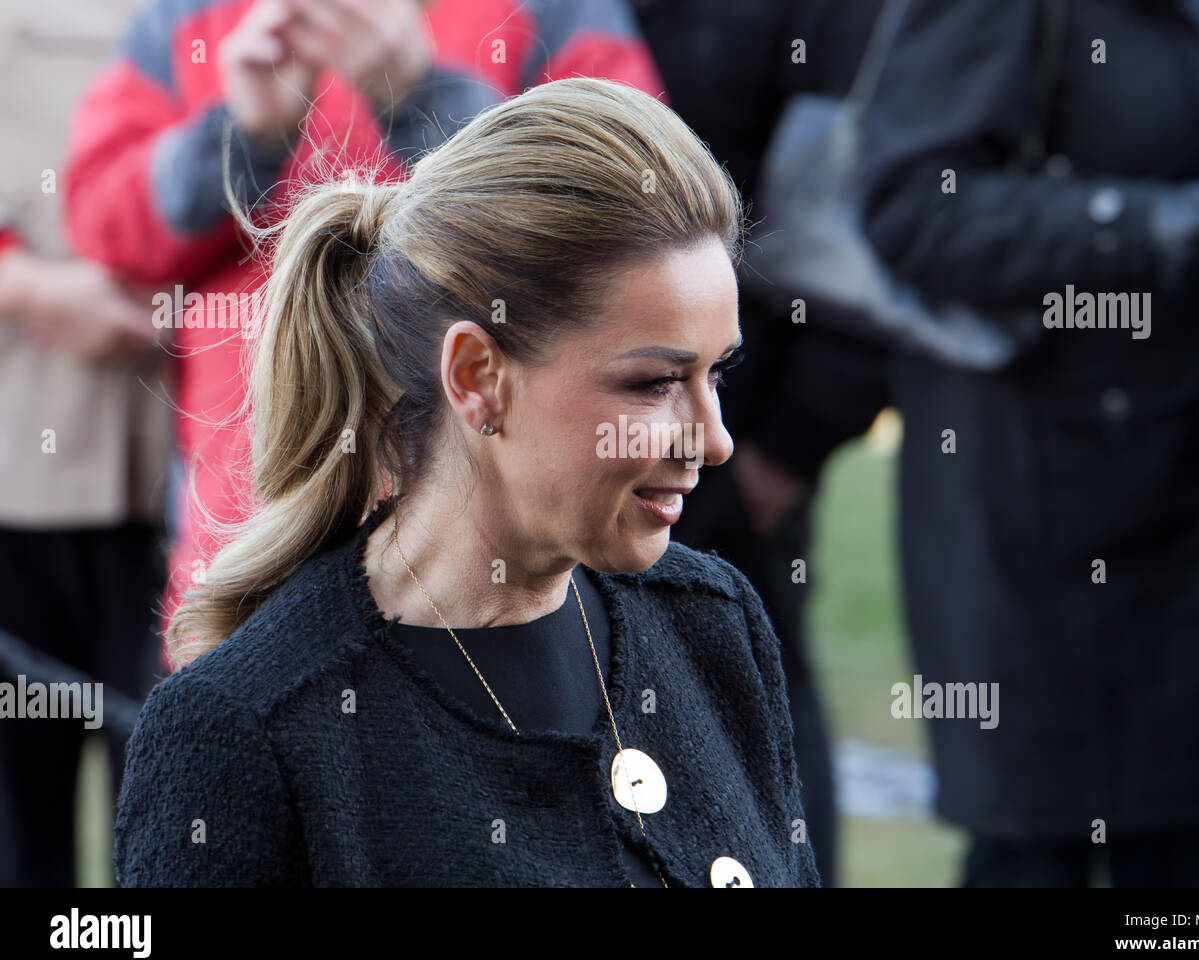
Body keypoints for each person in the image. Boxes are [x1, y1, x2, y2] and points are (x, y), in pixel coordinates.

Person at [113, 77, 821, 888]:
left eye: (717, 373)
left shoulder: (713, 628)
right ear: (478, 376)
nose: (715, 440)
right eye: (656, 383)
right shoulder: (248, 727)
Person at [61, 0, 665, 673]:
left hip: (494, 538)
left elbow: (634, 214)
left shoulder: (553, 10)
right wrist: (240, 139)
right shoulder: (190, 15)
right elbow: (99, 216)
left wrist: (421, 96)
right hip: (248, 512)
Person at [861, 0, 1199, 886]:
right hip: (1050, 526)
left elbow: (1180, 153)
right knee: (1053, 852)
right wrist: (1124, 225)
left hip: (1196, 508)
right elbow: (911, 204)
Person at [631, 0, 889, 888]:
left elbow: (847, 241)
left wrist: (784, 454)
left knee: (751, 708)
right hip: (565, 454)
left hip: (741, 460)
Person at [0, 0, 173, 887]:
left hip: (176, 480)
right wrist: (28, 287)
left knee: (160, 793)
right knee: (25, 807)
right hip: (21, 474)